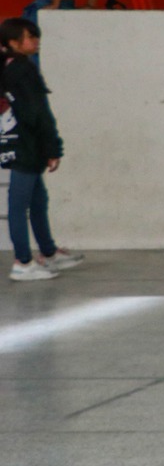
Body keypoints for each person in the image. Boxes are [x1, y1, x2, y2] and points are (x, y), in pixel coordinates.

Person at [2, 18, 83, 281]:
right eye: (30, 37)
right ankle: (23, 262)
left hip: (20, 142)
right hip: (26, 145)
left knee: (38, 200)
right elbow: (38, 113)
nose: (36, 42)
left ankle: (47, 252)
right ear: (13, 43)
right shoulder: (23, 70)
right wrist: (52, 147)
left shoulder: (10, 68)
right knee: (19, 203)